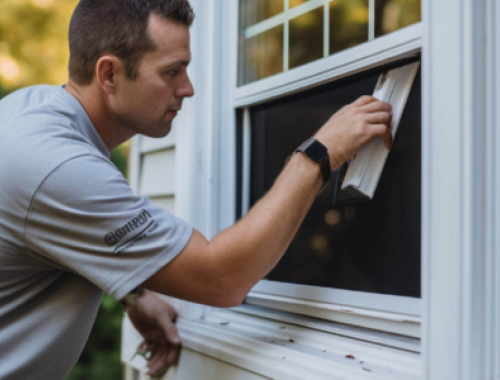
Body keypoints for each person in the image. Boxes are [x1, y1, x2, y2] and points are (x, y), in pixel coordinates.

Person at [0, 0, 393, 378]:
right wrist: (318, 154)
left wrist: (133, 291)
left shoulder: (30, 111)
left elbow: (57, 228)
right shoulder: (58, 167)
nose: (187, 89)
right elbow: (222, 278)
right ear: (109, 75)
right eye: (172, 72)